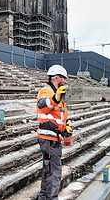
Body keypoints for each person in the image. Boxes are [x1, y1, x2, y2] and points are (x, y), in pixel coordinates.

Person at [36, 65, 73, 200]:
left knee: (49, 170)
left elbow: (60, 116)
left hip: (53, 137)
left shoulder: (58, 93)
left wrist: (66, 127)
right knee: (54, 172)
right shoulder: (47, 91)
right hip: (49, 138)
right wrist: (56, 98)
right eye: (64, 78)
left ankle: (44, 197)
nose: (65, 81)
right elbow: (42, 105)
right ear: (57, 78)